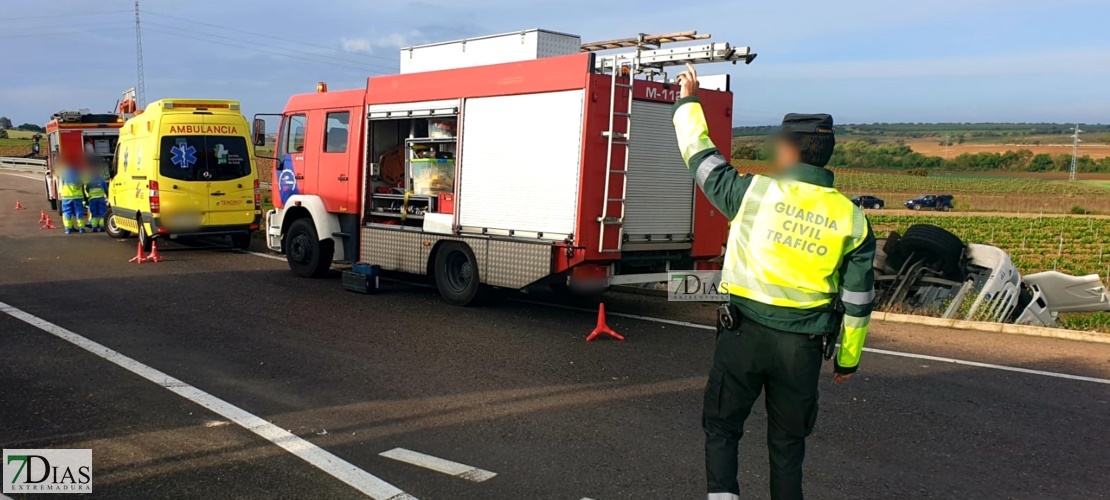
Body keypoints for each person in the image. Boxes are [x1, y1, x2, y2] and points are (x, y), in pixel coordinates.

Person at [673, 63, 876, 500]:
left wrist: (689, 100)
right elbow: (858, 300)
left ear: (788, 150)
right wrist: (847, 360)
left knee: (723, 429)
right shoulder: (852, 218)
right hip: (802, 348)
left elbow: (700, 157)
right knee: (787, 446)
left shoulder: (754, 193)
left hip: (742, 336)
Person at [59, 167, 87, 234]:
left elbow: (61, 184)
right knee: (79, 211)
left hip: (66, 196)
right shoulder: (79, 172)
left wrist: (60, 193)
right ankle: (81, 228)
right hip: (77, 196)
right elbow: (86, 180)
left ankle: (68, 229)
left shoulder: (63, 173)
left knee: (67, 212)